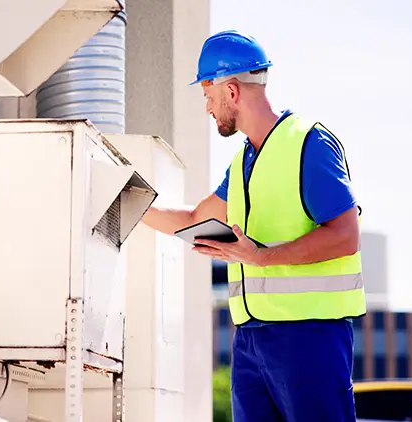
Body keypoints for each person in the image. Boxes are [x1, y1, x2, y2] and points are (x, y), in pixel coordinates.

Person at [140, 30, 367, 422]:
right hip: (250, 340)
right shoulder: (243, 160)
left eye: (208, 97)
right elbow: (198, 219)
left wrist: (262, 257)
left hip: (309, 337)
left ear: (231, 91)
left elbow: (346, 236)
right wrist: (132, 205)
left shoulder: (309, 143)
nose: (207, 109)